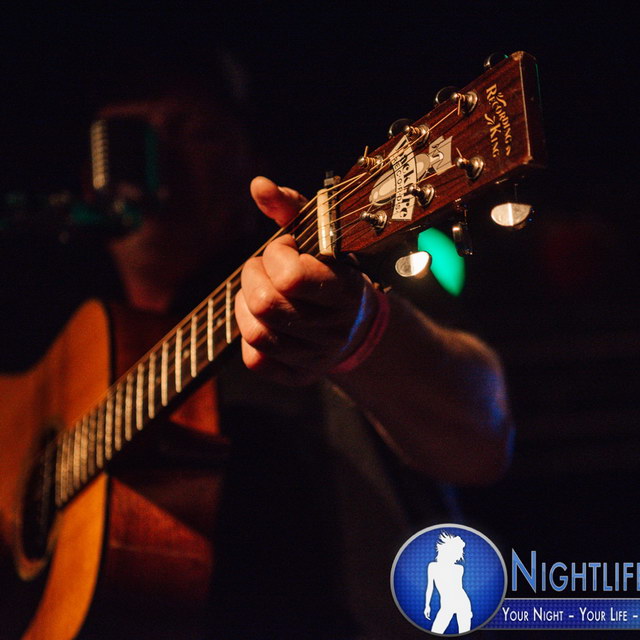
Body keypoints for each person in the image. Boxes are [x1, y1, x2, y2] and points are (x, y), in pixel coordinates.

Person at [92, 81, 512, 639]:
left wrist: (366, 328)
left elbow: (482, 439)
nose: (158, 156)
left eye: (194, 132)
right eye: (130, 135)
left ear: (252, 164)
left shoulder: (320, 282)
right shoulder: (57, 332)